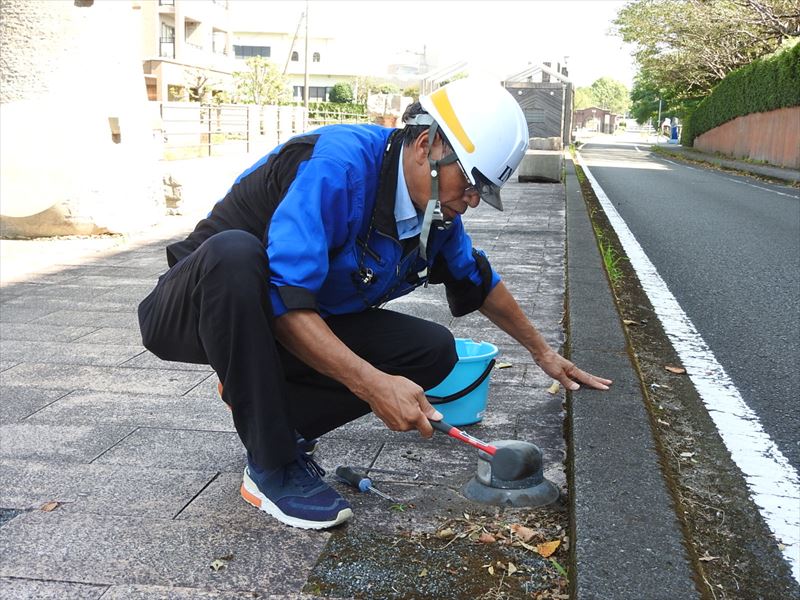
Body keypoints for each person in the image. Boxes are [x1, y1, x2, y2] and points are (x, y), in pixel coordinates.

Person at [137, 77, 612, 531]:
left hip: (280, 324)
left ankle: (263, 404)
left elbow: (479, 280)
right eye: (468, 184)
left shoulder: (435, 218)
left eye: (482, 193)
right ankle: (272, 464)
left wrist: (542, 352)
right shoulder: (339, 166)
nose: (471, 202)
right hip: (194, 310)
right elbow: (285, 295)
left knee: (433, 351)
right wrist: (372, 385)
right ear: (427, 145)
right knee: (236, 252)